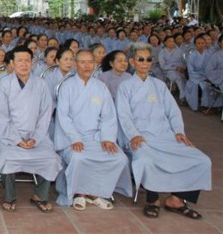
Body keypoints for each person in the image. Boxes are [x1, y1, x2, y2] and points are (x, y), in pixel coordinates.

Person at [116, 42, 211, 220]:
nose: (145, 63)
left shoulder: (159, 85)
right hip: (141, 136)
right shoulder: (125, 86)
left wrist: (179, 131)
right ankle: (152, 200)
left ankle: (176, 199)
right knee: (147, 160)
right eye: (140, 59)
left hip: (165, 135)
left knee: (201, 160)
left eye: (148, 59)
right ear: (132, 62)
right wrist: (134, 135)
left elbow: (173, 111)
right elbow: (124, 115)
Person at [54, 50, 131, 210]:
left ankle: (96, 192)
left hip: (96, 136)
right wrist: (75, 138)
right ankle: (79, 193)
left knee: (119, 158)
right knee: (79, 157)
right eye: (82, 62)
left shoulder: (100, 87)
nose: (87, 66)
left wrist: (107, 138)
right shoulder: (67, 86)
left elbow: (108, 116)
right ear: (75, 64)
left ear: (95, 64)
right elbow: (63, 116)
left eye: (90, 62)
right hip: (72, 137)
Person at [0, 46, 61, 214]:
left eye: (27, 60)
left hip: (36, 136)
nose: (24, 64)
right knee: (7, 157)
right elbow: (1, 115)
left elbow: (45, 114)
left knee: (51, 158)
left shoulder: (41, 84)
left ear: (32, 62)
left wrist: (35, 138)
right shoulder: (4, 84)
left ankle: (40, 196)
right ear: (12, 63)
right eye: (19, 60)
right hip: (10, 136)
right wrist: (17, 140)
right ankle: (9, 196)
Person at [185, 34, 222, 111]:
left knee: (212, 85)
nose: (201, 45)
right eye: (198, 43)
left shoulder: (209, 54)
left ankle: (213, 105)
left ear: (205, 44)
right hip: (195, 77)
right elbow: (191, 71)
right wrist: (203, 78)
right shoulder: (192, 56)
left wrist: (209, 77)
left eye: (202, 43)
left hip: (208, 75)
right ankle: (203, 105)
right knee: (202, 86)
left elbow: (211, 69)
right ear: (195, 45)